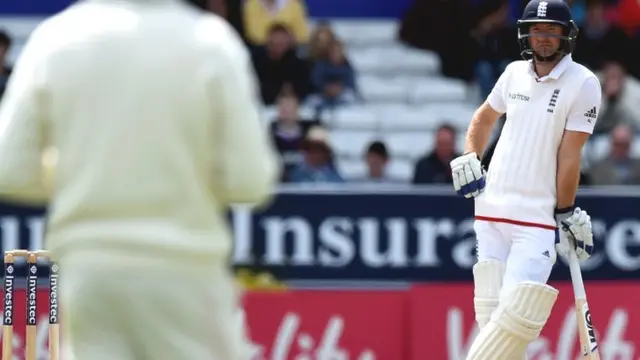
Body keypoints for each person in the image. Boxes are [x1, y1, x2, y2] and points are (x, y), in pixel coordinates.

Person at [0, 0, 279, 359]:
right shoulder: (211, 43)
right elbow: (250, 182)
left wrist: (81, 178)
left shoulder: (56, 39)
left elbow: (10, 169)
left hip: (90, 273)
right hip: (183, 271)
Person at [449, 1, 599, 359]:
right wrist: (471, 154)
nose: (543, 38)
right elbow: (483, 119)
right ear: (526, 34)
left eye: (551, 31)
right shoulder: (513, 72)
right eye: (536, 30)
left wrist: (564, 210)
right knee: (492, 322)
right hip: (490, 208)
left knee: (515, 320)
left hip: (535, 216)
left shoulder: (584, 83)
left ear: (566, 35)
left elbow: (569, 155)